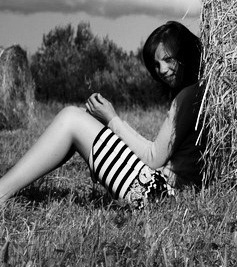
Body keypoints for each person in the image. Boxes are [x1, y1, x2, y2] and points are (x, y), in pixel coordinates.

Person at [0, 21, 205, 208]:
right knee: (82, 116)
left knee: (71, 118)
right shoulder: (199, 92)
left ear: (185, 55)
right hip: (162, 190)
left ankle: (2, 192)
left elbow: (152, 158)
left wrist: (112, 119)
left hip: (158, 194)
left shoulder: (189, 95)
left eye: (168, 59)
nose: (162, 70)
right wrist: (108, 128)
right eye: (156, 64)